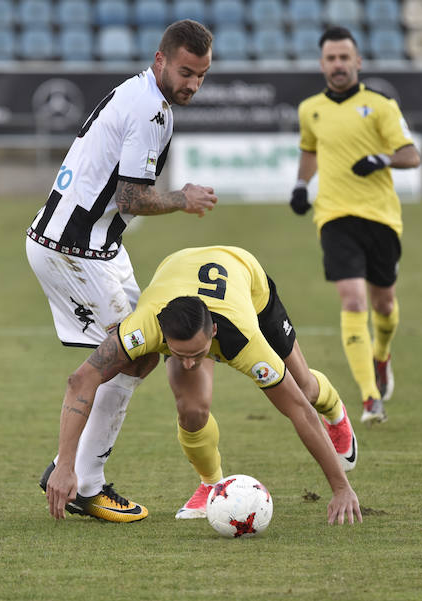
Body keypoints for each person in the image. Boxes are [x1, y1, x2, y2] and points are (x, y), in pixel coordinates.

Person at [26, 20, 218, 523]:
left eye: (201, 75)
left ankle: (74, 471)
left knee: (143, 350)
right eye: (185, 72)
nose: (192, 84)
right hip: (71, 248)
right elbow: (133, 197)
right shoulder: (150, 110)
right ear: (161, 61)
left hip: (100, 246)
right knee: (127, 355)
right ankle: (83, 483)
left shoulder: (139, 92)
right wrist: (184, 198)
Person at [43, 246, 362, 526]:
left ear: (213, 333)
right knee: (192, 411)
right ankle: (211, 484)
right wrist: (66, 466)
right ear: (164, 338)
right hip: (178, 267)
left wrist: (341, 488)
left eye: (197, 355)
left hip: (247, 282)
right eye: (178, 355)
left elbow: (300, 412)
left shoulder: (245, 339)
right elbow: (81, 380)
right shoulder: (144, 325)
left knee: (303, 389)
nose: (190, 365)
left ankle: (335, 411)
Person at [289, 26, 421, 425]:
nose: (339, 64)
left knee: (384, 304)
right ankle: (369, 398)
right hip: (334, 217)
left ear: (358, 62)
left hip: (380, 217)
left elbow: (411, 155)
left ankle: (381, 355)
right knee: (352, 300)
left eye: (345, 57)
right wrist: (300, 184)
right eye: (331, 58)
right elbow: (309, 150)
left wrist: (381, 159)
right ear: (322, 64)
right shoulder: (310, 109)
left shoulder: (380, 105)